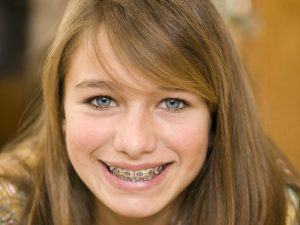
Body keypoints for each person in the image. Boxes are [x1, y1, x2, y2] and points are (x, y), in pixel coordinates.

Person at [0, 0, 299, 225]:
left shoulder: (278, 211)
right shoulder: (10, 208)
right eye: (102, 100)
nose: (134, 143)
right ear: (60, 110)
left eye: (173, 103)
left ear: (215, 119)